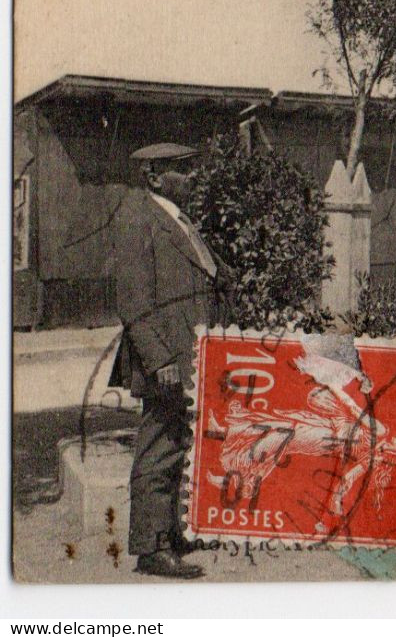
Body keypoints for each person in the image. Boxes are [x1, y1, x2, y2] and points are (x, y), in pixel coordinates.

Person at [108, 143, 229, 579]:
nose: (193, 177)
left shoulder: (178, 220)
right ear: (154, 177)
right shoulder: (137, 219)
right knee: (158, 449)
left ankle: (172, 534)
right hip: (167, 359)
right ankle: (150, 548)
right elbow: (134, 302)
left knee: (180, 445)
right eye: (183, 170)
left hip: (190, 352)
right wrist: (160, 359)